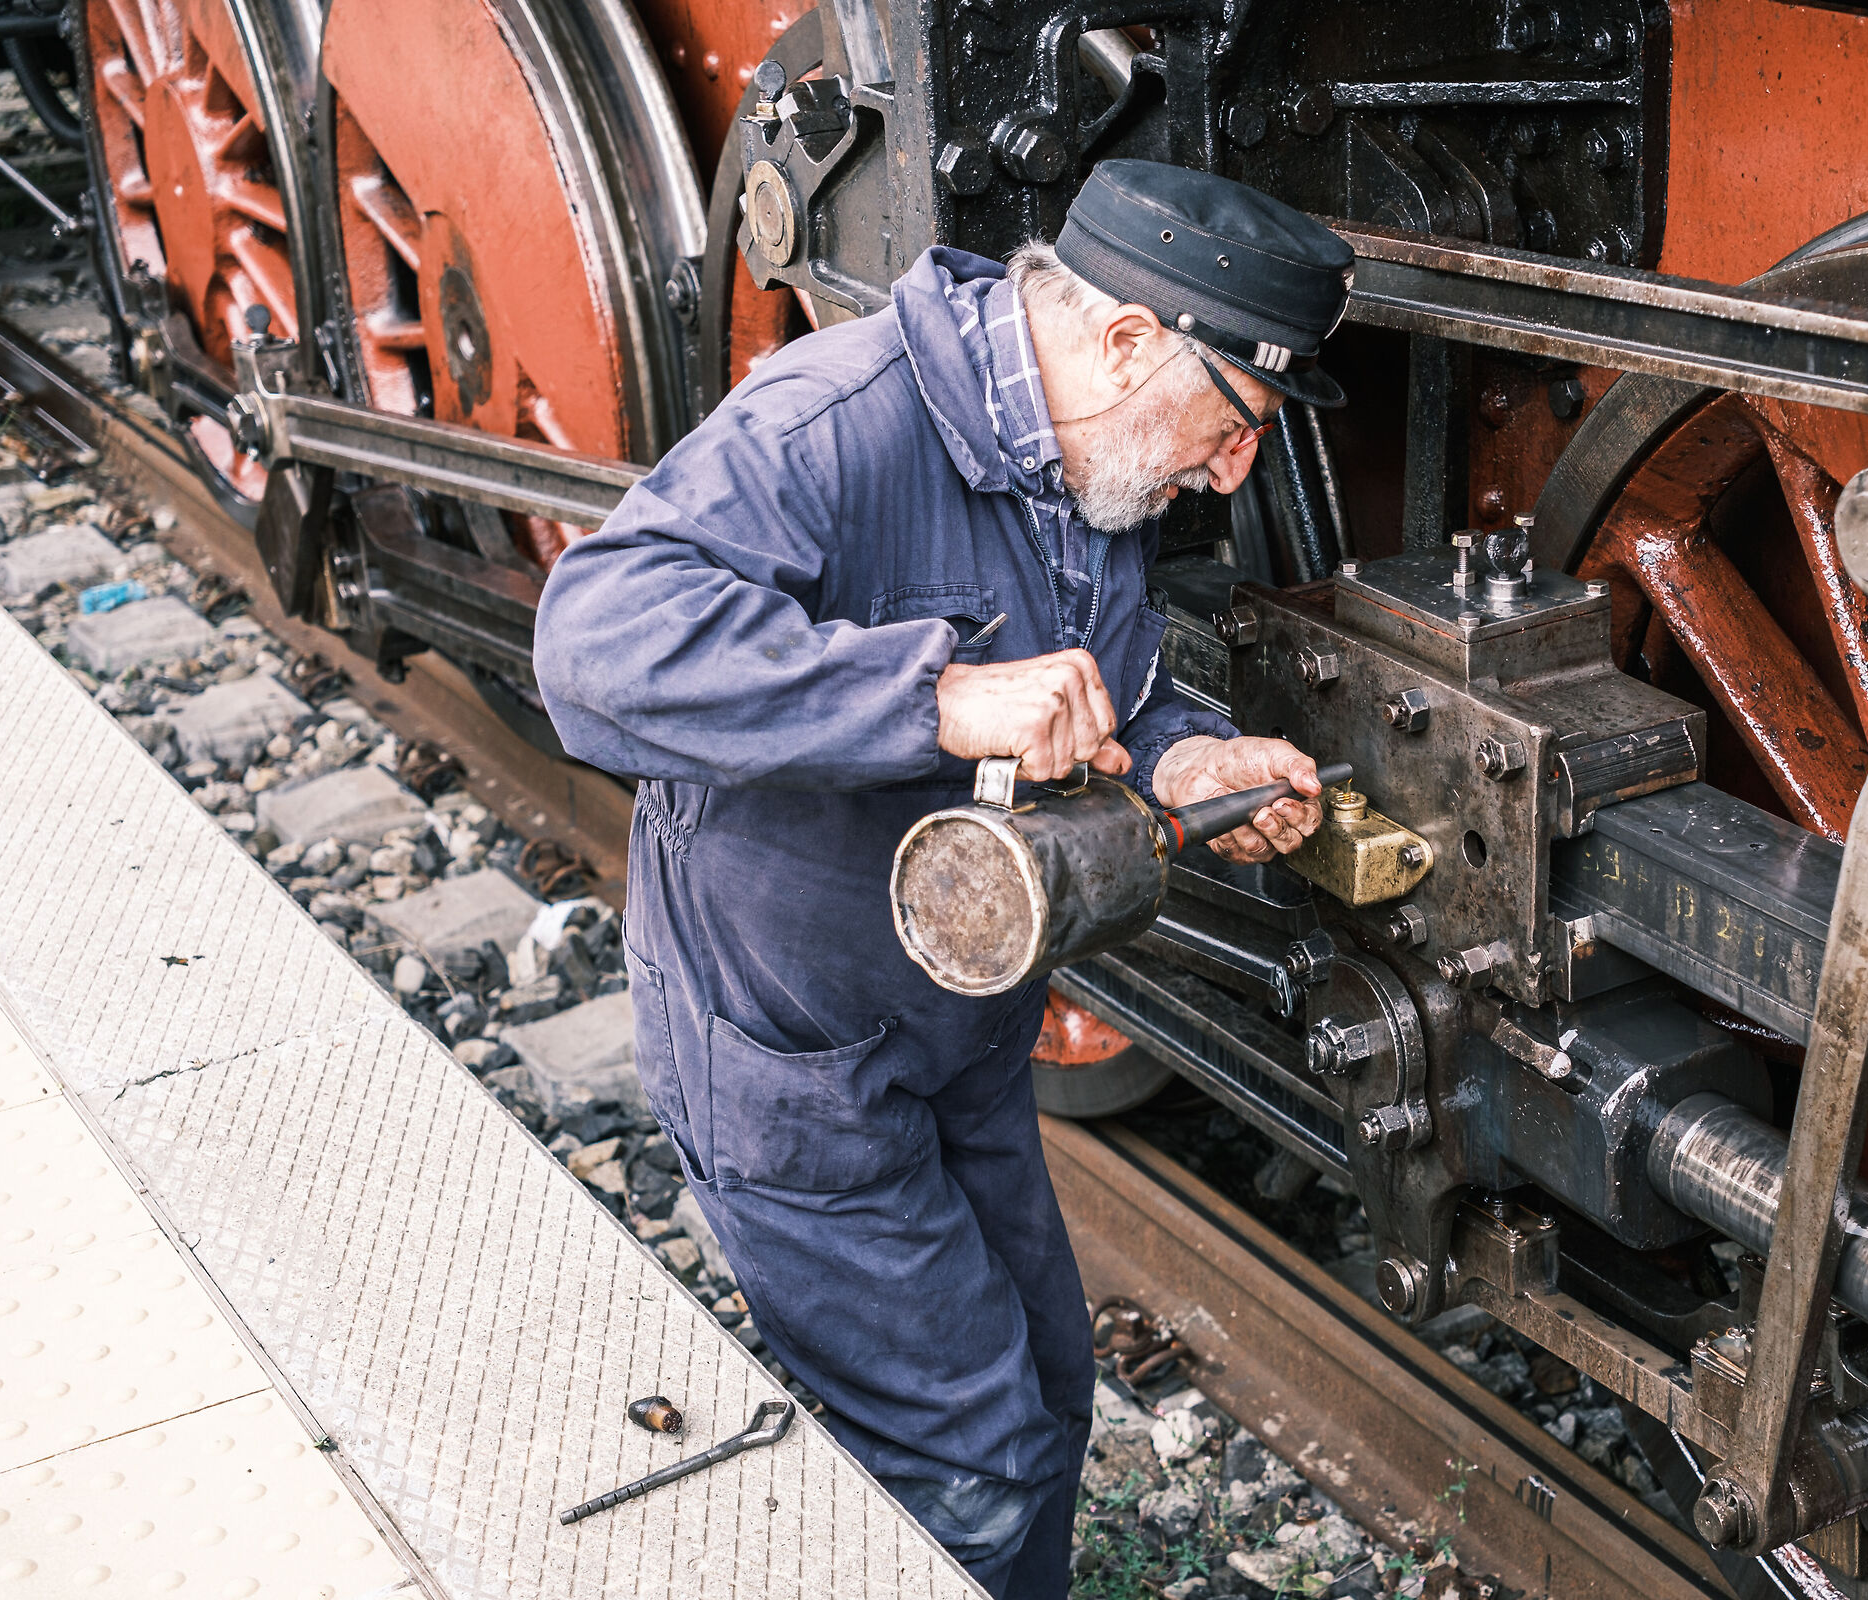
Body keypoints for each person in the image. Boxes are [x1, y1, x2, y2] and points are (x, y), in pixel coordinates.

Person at [533, 159, 1357, 1597]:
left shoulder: (1091, 461)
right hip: (791, 1058)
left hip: (961, 1036)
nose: (1232, 472)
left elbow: (1108, 690)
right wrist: (934, 699)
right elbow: (594, 644)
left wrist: (1179, 762)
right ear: (1123, 342)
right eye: (1233, 426)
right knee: (967, 1457)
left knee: (1045, 1385)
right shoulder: (836, 421)